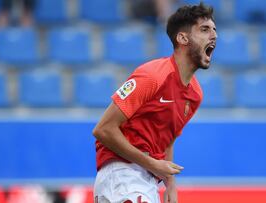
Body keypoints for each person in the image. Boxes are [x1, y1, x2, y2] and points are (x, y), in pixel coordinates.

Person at [92, 2, 217, 203]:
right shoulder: (152, 76)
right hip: (122, 174)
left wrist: (170, 184)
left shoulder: (195, 94)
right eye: (204, 29)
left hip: (148, 180)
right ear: (182, 38)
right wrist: (152, 164)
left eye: (214, 29)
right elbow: (103, 129)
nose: (214, 35)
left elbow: (167, 140)